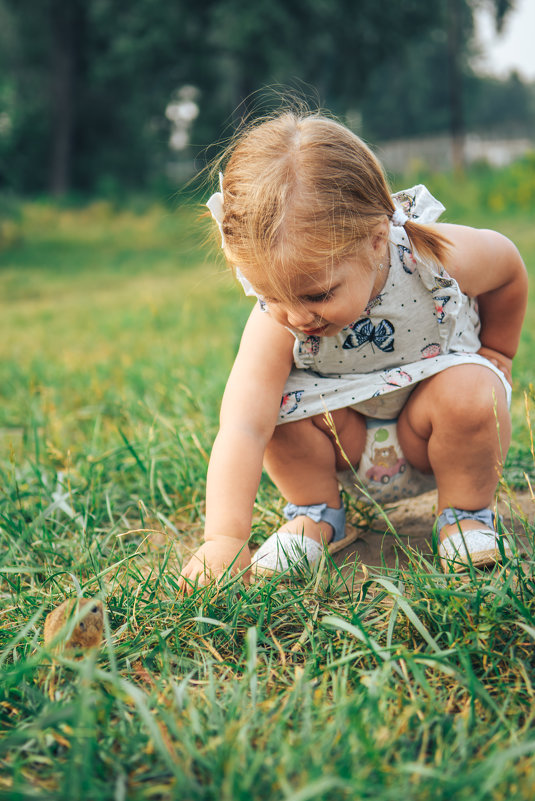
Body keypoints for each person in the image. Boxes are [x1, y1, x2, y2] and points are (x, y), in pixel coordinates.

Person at [178, 110, 527, 589]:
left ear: (376, 240)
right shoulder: (276, 322)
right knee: (273, 411)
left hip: (430, 433)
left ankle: (464, 515)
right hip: (340, 441)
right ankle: (315, 513)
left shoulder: (433, 260)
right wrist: (224, 537)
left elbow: (508, 267)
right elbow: (241, 426)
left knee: (472, 388)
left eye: (317, 294)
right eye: (273, 296)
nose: (297, 317)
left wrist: (499, 353)